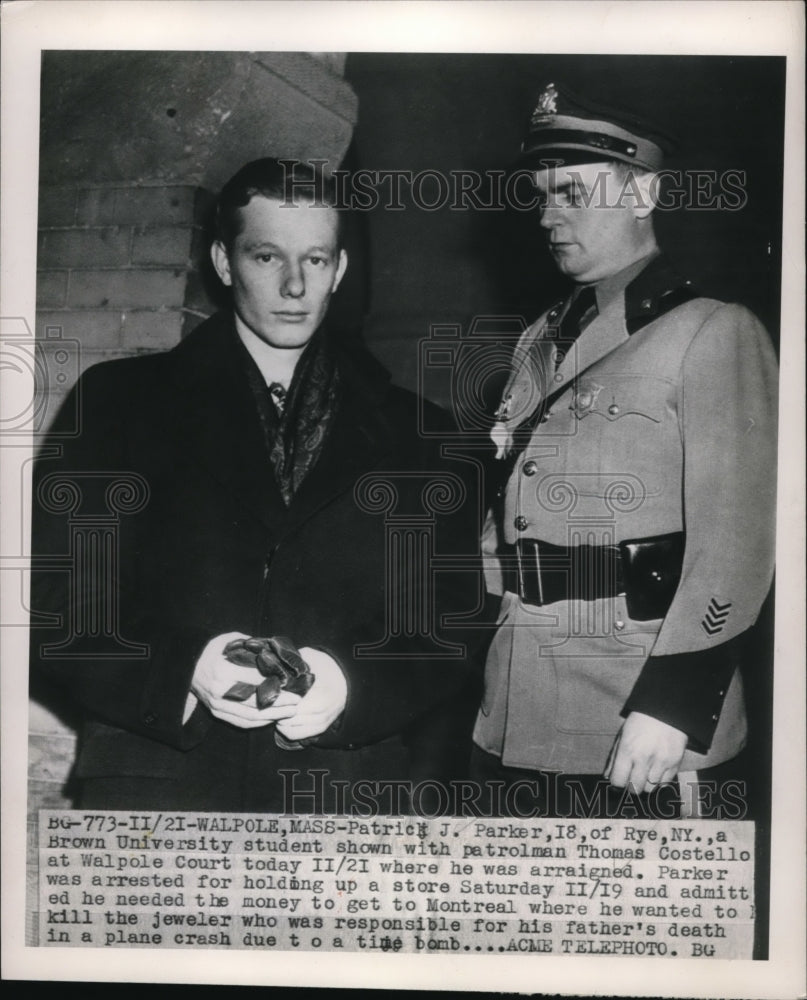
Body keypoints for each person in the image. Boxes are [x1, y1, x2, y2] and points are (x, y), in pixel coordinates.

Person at [30, 158, 483, 813]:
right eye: (268, 257)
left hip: (344, 791)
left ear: (341, 269)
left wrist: (349, 686)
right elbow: (57, 602)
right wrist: (183, 669)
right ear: (222, 261)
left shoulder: (422, 433)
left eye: (317, 260)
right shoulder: (117, 403)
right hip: (158, 788)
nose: (296, 285)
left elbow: (449, 625)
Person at [472, 83, 778, 818]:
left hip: (638, 718)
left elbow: (742, 536)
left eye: (572, 192)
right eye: (541, 194)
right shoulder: (537, 338)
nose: (547, 216)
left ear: (642, 193)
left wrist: (675, 701)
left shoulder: (711, 332)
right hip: (516, 705)